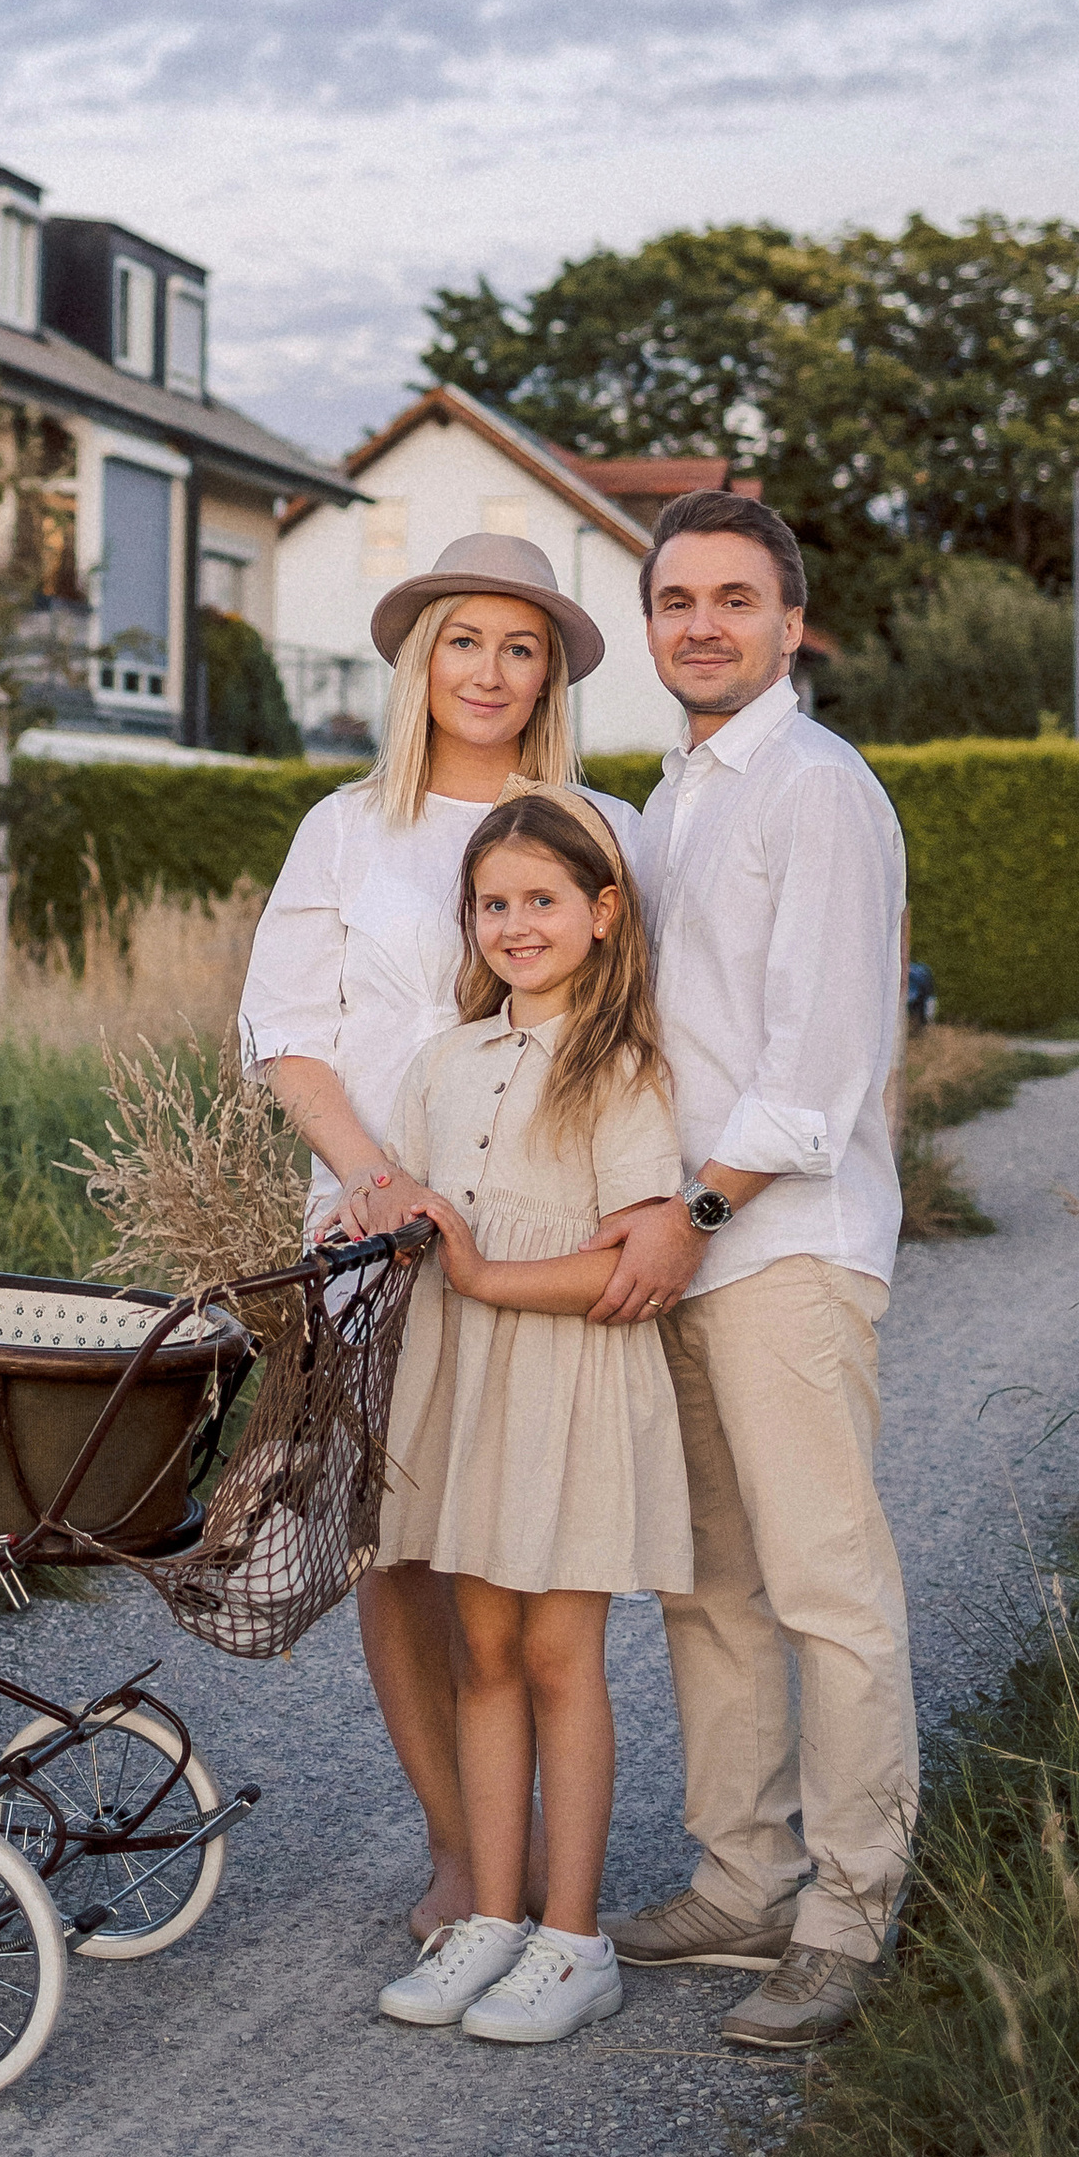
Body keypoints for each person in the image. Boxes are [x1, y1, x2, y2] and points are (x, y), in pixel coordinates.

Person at [237, 531, 643, 1942]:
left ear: (550, 677)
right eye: (464, 640)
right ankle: (468, 1858)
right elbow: (285, 1037)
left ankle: (567, 1871)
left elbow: (638, 1029)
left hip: (538, 1226)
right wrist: (375, 1178)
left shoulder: (603, 827)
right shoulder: (346, 828)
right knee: (399, 1545)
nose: (490, 669)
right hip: (372, 1222)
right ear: (422, 660)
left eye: (520, 646)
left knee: (521, 1546)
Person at [589, 489, 918, 2054]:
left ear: (793, 623)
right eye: (677, 601)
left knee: (827, 1590)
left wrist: (693, 1214)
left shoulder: (816, 790)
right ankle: (742, 1879)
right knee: (708, 1587)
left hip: (781, 1248)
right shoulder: (675, 800)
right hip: (691, 1249)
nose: (702, 624)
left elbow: (821, 1073)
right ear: (652, 627)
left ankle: (850, 1915)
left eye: (734, 599)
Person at [327, 791, 691, 2045]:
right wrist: (375, 1215)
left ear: (601, 915)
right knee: (477, 1653)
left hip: (566, 1387)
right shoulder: (449, 1060)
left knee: (553, 1658)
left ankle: (572, 1940)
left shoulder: (623, 1067)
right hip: (463, 1384)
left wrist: (484, 1274)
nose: (515, 924)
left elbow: (624, 1267)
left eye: (542, 901)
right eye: (494, 904)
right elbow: (418, 1206)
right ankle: (489, 1913)